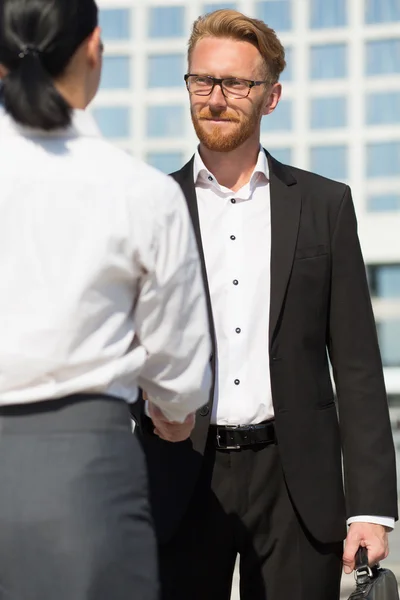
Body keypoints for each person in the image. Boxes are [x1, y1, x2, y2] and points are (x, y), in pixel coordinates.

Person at [132, 9, 398, 600]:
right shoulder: (147, 206)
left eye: (236, 83)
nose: (216, 97)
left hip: (296, 481)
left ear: (271, 96)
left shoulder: (326, 207)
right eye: (203, 80)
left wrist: (372, 507)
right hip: (177, 476)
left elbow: (356, 365)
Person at [0, 1, 211, 599]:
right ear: (95, 48)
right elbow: (181, 376)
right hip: (87, 477)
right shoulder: (142, 194)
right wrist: (173, 416)